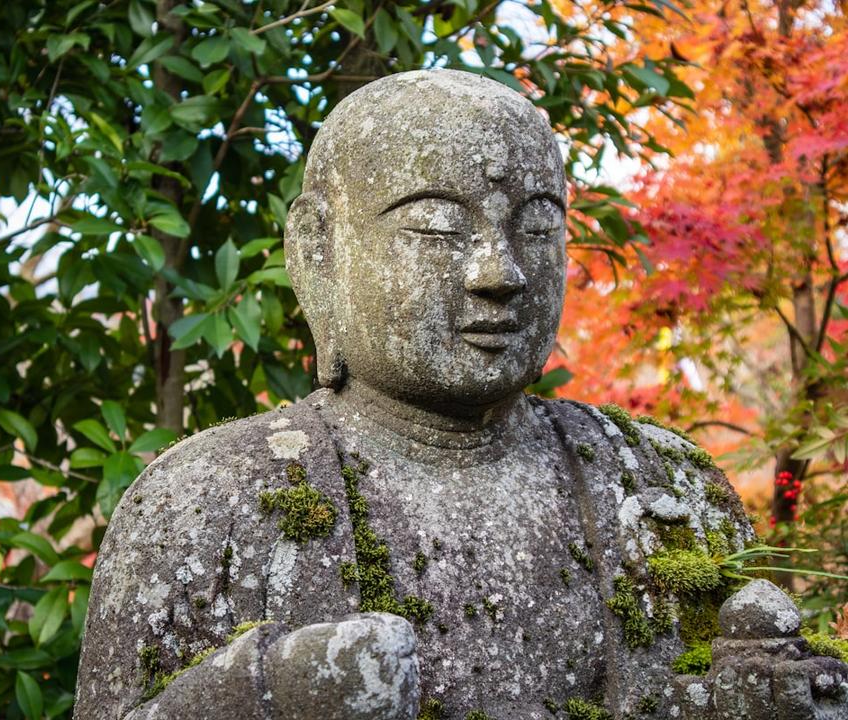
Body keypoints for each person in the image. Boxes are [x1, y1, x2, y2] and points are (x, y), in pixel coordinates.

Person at [75, 70, 847, 720]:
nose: (499, 272)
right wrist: (266, 690)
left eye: (536, 226)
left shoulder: (666, 490)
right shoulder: (208, 501)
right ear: (317, 252)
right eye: (438, 226)